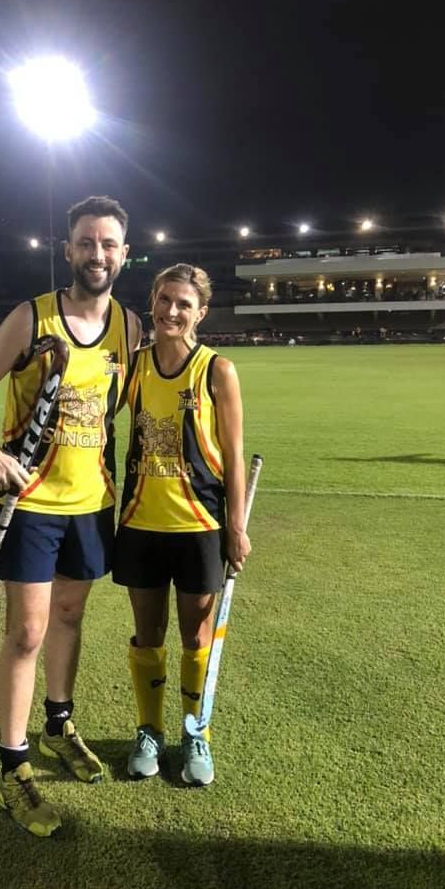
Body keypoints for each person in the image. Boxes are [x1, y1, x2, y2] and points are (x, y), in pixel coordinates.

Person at [0, 195, 142, 837]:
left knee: (70, 615)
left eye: (109, 243)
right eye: (86, 242)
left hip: (92, 503)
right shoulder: (32, 317)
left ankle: (60, 724)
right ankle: (13, 766)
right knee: (28, 632)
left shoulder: (130, 325)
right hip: (30, 501)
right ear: (67, 250)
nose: (98, 253)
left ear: (124, 251)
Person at [112, 263, 251, 788]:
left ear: (201, 312)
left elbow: (234, 456)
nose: (172, 311)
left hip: (200, 524)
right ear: (152, 301)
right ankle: (149, 730)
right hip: (142, 522)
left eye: (184, 304)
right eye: (165, 300)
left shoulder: (217, 370)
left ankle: (197, 733)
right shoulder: (134, 366)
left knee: (196, 635)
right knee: (148, 634)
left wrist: (235, 526)